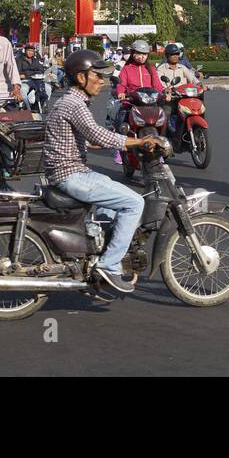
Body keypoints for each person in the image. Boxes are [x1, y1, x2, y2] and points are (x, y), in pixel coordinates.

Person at [44, 49, 160, 294]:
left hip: (72, 171)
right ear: (80, 78)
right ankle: (109, 265)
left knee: (110, 199)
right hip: (71, 175)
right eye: (96, 75)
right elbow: (97, 133)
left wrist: (101, 142)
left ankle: (96, 254)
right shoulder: (74, 104)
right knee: (134, 203)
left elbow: (84, 137)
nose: (102, 81)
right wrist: (137, 142)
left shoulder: (69, 101)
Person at [112, 39, 162, 161]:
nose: (141, 57)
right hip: (131, 102)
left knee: (162, 119)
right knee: (120, 120)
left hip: (150, 103)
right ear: (133, 53)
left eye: (144, 54)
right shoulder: (126, 69)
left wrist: (163, 93)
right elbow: (121, 84)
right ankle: (119, 149)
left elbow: (157, 85)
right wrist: (121, 93)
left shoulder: (150, 69)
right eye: (138, 53)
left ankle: (160, 149)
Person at [157, 42, 200, 137]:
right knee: (166, 113)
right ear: (167, 56)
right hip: (170, 99)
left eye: (177, 54)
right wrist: (165, 90)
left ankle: (197, 130)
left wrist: (200, 85)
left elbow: (193, 79)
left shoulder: (182, 67)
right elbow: (159, 85)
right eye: (173, 54)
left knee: (199, 108)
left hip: (184, 98)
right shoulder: (161, 69)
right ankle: (162, 137)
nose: (176, 56)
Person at [15, 42, 49, 110]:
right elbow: (18, 73)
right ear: (25, 51)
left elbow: (41, 70)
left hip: (37, 80)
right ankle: (27, 108)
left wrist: (28, 73)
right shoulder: (19, 60)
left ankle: (41, 105)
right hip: (25, 81)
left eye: (32, 51)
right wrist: (30, 73)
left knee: (48, 88)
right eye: (29, 50)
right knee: (23, 90)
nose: (30, 52)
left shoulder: (36, 60)